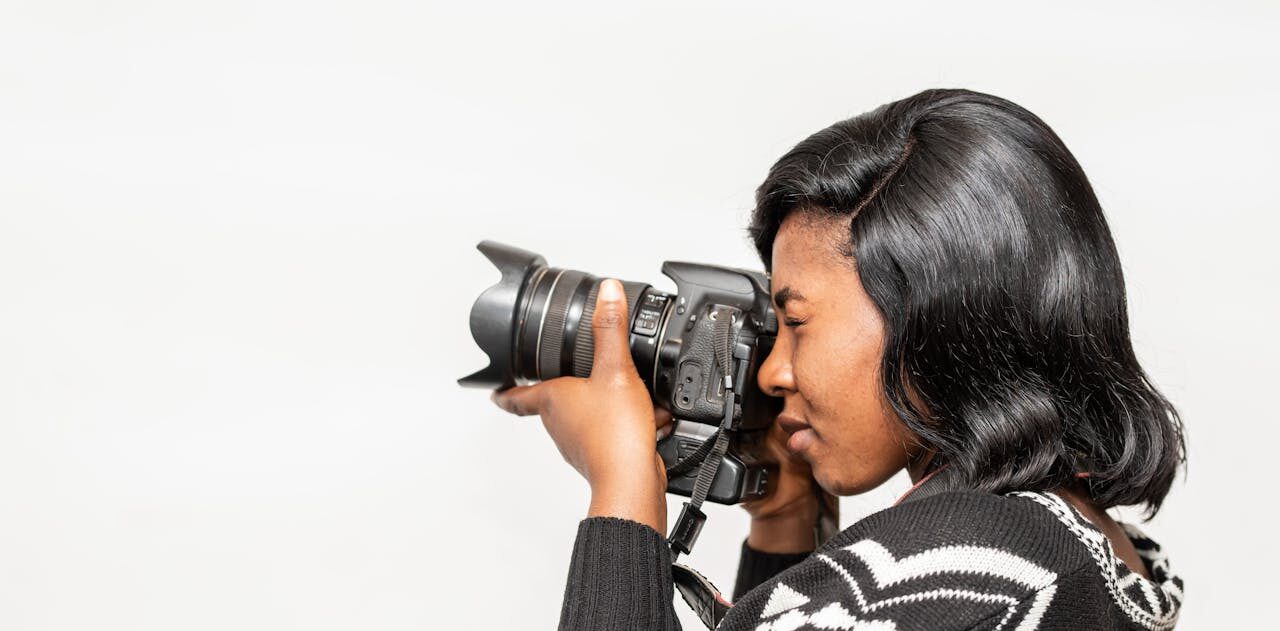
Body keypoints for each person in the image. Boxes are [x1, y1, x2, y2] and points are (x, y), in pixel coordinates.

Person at [490, 88, 1186, 630]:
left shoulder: (963, 571)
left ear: (931, 315)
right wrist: (788, 524)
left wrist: (621, 489)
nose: (773, 372)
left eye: (796, 321)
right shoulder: (1056, 547)